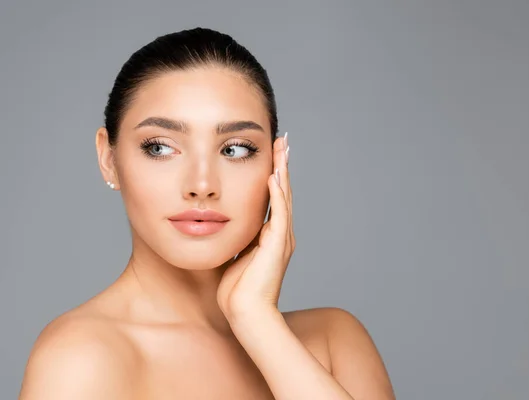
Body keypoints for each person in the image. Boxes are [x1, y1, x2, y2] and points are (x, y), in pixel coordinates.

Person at [18, 27, 395, 399]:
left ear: (275, 164)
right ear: (108, 158)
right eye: (160, 148)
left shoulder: (332, 341)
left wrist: (256, 320)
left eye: (234, 149)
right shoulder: (80, 359)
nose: (201, 184)